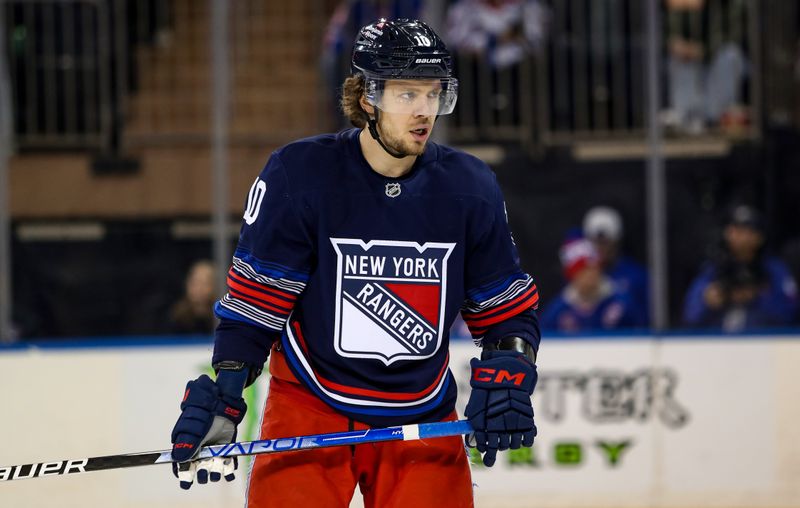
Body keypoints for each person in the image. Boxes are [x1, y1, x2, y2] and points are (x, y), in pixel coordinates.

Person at [168, 19, 542, 507]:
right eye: (408, 94)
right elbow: (257, 305)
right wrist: (227, 389)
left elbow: (504, 307)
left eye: (433, 94)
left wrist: (510, 364)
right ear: (367, 97)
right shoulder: (300, 174)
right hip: (310, 404)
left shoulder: (469, 187)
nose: (424, 110)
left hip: (422, 410)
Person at [682, 205, 798, 332]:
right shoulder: (713, 270)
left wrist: (757, 297)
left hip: (762, 342)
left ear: (759, 237)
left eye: (747, 231)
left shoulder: (774, 270)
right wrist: (707, 302)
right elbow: (690, 315)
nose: (740, 237)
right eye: (735, 230)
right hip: (718, 344)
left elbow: (790, 313)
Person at [662, 0, 748, 135]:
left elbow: (730, 37)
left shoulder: (731, 6)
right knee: (677, 59)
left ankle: (716, 115)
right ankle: (686, 114)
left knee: (730, 56)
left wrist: (701, 51)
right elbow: (671, 34)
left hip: (719, 62)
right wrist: (681, 46)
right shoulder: (682, 7)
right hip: (694, 62)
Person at [540, 234, 641, 332]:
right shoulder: (559, 311)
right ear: (573, 276)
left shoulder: (621, 301)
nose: (591, 275)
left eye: (594, 269)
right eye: (584, 271)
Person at [582, 206, 649, 326]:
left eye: (605, 242)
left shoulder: (637, 276)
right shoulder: (579, 277)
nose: (600, 247)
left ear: (616, 241)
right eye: (595, 241)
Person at [167, 260, 217, 334]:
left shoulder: (222, 318)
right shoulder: (176, 318)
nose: (198, 288)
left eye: (205, 283)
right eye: (194, 282)